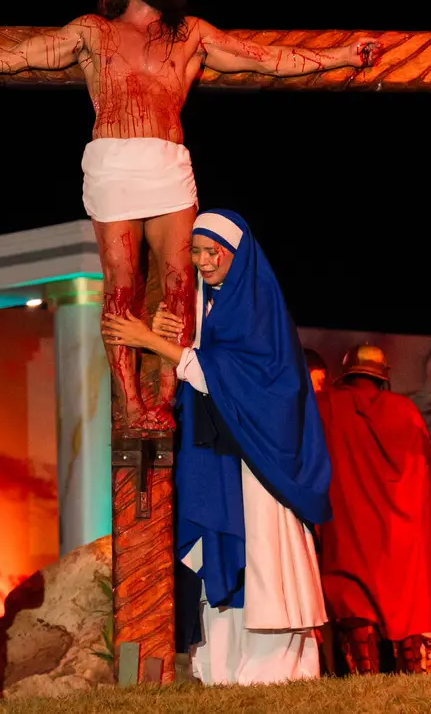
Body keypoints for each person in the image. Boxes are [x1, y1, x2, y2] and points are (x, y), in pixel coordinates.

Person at [0, 0, 383, 429]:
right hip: (113, 162)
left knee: (180, 286)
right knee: (122, 285)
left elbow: (266, 59)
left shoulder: (189, 34)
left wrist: (343, 54)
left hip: (168, 164)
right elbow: (15, 57)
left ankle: (166, 398)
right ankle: (130, 404)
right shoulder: (96, 32)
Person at [102, 209, 332, 684]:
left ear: (238, 255)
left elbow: (251, 380)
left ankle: (275, 668)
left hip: (257, 461)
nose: (204, 262)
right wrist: (174, 336)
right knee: (220, 556)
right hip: (220, 457)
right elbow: (204, 364)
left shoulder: (260, 307)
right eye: (197, 251)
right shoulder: (211, 302)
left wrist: (150, 339)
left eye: (215, 253)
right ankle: (222, 668)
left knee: (263, 557)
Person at [315, 344, 431, 674]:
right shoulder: (408, 411)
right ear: (384, 376)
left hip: (350, 523)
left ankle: (364, 671)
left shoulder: (327, 404)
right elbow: (425, 466)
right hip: (402, 529)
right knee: (406, 591)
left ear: (347, 373)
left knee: (353, 593)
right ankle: (409, 665)